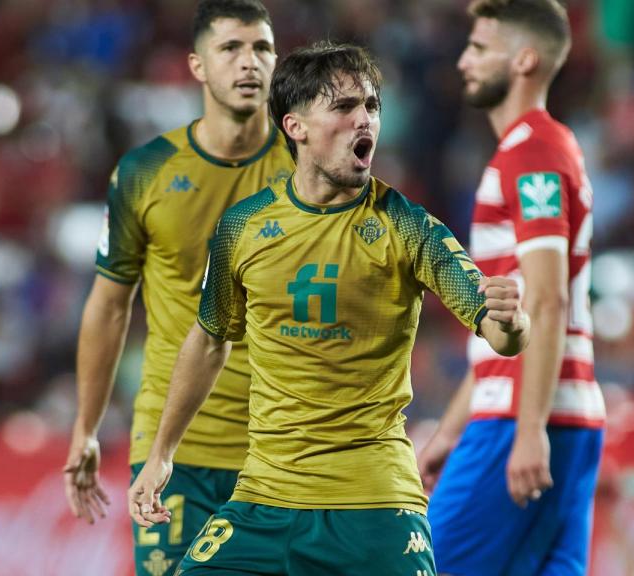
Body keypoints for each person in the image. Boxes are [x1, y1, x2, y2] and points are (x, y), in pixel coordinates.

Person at [127, 41, 530, 575]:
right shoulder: (242, 227)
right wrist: (161, 454)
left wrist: (512, 320)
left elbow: (500, 334)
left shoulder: (407, 226)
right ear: (295, 126)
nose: (365, 120)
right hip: (264, 501)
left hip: (374, 507)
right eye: (344, 107)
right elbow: (208, 340)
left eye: (372, 106)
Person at [62, 1, 291, 573]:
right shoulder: (145, 171)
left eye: (262, 48)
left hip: (285, 448)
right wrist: (86, 430)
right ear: (197, 66)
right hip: (173, 450)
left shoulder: (312, 170)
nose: (249, 62)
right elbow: (109, 307)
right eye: (230, 48)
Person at [417, 1, 605, 574]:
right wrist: (451, 430)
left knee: (422, 565)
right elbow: (509, 327)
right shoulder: (543, 147)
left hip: (523, 417)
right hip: (557, 414)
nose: (463, 61)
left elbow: (547, 298)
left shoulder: (532, 152)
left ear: (524, 60)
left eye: (479, 48)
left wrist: (529, 429)